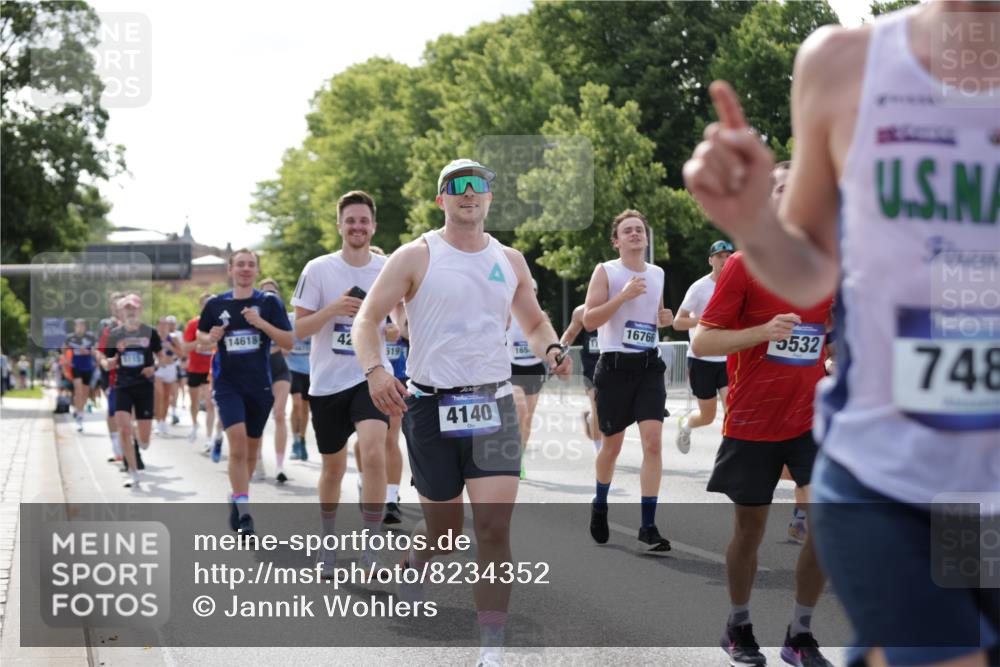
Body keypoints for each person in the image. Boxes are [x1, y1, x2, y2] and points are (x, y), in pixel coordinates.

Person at [683, 3, 999, 666]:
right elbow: (807, 268)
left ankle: (804, 633)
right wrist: (753, 224)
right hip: (887, 472)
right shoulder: (845, 62)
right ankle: (748, 622)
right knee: (942, 649)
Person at [353, 159, 572, 667]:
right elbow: (368, 319)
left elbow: (535, 321)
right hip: (430, 405)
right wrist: (376, 371)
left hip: (493, 402)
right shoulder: (415, 256)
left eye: (479, 186)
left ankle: (491, 650)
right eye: (458, 186)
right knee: (447, 534)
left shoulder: (511, 260)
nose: (469, 193)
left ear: (490, 198)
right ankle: (415, 562)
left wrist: (552, 349)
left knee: (494, 528)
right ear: (442, 199)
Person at [291, 190, 394, 573]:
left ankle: (371, 549)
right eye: (350, 220)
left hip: (372, 377)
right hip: (328, 383)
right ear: (339, 225)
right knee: (332, 469)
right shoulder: (318, 269)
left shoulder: (388, 267)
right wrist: (333, 309)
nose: (357, 227)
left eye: (363, 220)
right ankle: (328, 544)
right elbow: (299, 329)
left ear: (373, 226)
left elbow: (401, 317)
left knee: (373, 453)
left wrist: (398, 329)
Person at [582, 209, 674, 555]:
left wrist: (665, 318)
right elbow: (590, 320)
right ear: (616, 240)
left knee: (652, 443)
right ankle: (601, 502)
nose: (635, 234)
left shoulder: (658, 273)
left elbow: (657, 317)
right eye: (628, 230)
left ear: (646, 238)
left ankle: (648, 525)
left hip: (649, 366)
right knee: (613, 447)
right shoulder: (606, 271)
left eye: (640, 230)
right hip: (615, 368)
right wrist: (622, 296)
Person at [198, 249, 292, 535]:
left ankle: (237, 496)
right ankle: (245, 513)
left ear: (257, 270)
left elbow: (288, 341)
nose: (245, 269)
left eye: (251, 265)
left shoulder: (269, 302)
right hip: (228, 384)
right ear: (231, 270)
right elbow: (200, 340)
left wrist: (261, 323)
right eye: (240, 264)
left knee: (251, 450)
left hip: (259, 386)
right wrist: (210, 337)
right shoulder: (216, 304)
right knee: (237, 444)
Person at [673, 240, 733, 453]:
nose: (724, 260)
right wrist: (701, 320)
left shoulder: (737, 286)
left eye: (728, 256)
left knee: (732, 413)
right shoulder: (699, 288)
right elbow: (677, 322)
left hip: (728, 360)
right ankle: (687, 424)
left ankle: (729, 460)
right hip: (701, 360)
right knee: (707, 416)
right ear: (710, 260)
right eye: (719, 256)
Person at [102, 294, 165, 489]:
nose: (130, 311)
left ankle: (142, 440)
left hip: (144, 386)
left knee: (144, 440)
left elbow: (161, 357)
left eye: (133, 308)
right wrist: (109, 363)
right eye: (126, 308)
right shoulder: (115, 333)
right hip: (123, 385)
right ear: (121, 312)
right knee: (124, 427)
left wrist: (153, 368)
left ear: (140, 310)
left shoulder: (150, 332)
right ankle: (133, 471)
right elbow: (105, 360)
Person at [507, 278, 548, 479]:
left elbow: (548, 339)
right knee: (520, 409)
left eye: (533, 290)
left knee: (527, 418)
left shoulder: (540, 317)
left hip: (534, 369)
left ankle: (519, 458)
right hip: (512, 368)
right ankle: (511, 456)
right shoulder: (506, 312)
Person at [259, 278, 292, 484]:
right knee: (258, 420)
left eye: (273, 292)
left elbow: (289, 346)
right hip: (259, 372)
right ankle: (258, 460)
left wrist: (279, 343)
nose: (270, 296)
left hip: (280, 370)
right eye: (265, 293)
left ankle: (280, 466)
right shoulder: (252, 317)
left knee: (279, 414)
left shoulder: (284, 318)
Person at [560, 303, 601, 451]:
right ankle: (599, 451)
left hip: (615, 365)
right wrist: (559, 354)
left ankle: (590, 418)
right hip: (592, 368)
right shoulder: (581, 311)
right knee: (598, 407)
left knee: (612, 410)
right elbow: (570, 335)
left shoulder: (619, 306)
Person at [183, 293, 217, 450]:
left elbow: (217, 346)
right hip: (195, 368)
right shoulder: (193, 324)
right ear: (201, 306)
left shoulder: (219, 324)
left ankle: (209, 438)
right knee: (194, 402)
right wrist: (202, 340)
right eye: (206, 303)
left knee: (210, 403)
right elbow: (186, 348)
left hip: (210, 369)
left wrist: (205, 346)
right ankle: (195, 424)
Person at [286, 309, 312, 461]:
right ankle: (295, 441)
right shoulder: (288, 319)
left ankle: (302, 440)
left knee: (305, 407)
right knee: (296, 404)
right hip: (292, 368)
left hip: (310, 369)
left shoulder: (316, 316)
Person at [64, 318, 99, 432]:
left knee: (84, 393)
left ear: (85, 327)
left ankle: (79, 410)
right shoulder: (70, 337)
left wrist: (88, 352)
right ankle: (79, 417)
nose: (80, 328)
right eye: (78, 326)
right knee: (78, 389)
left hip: (88, 367)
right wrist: (66, 359)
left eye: (82, 326)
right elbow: (63, 349)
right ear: (75, 327)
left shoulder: (91, 337)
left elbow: (96, 350)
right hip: (76, 366)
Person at [153, 316, 182, 436]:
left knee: (166, 397)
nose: (164, 326)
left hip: (170, 368)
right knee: (158, 395)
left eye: (166, 324)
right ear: (158, 325)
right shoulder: (154, 337)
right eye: (161, 324)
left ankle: (163, 421)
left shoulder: (173, 338)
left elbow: (181, 353)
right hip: (159, 368)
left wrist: (171, 348)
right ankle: (158, 422)